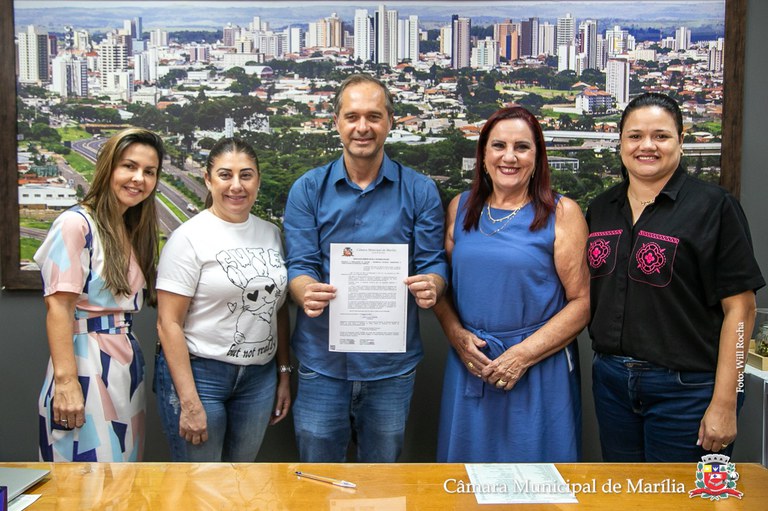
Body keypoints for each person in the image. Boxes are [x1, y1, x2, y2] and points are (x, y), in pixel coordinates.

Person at [586, 92, 765, 462]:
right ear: (620, 142)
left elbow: (741, 310)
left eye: (661, 136)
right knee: (626, 491)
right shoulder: (601, 208)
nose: (647, 146)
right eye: (635, 136)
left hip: (688, 390)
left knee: (680, 494)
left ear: (681, 141)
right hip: (612, 383)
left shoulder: (714, 206)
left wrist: (726, 401)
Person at [284, 73, 448, 463]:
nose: (363, 127)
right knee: (318, 480)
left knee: (381, 480)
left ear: (390, 121)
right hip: (321, 362)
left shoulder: (420, 190)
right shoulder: (308, 189)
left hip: (390, 367)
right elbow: (300, 265)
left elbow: (433, 263)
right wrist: (305, 291)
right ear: (336, 122)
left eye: (374, 116)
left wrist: (434, 284)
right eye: (352, 116)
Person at [433, 106, 590, 463]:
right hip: (472, 363)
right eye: (499, 145)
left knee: (538, 477)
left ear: (537, 156)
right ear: (483, 155)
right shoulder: (461, 207)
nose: (509, 157)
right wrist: (457, 337)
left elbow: (582, 302)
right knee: (466, 477)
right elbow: (442, 287)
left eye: (521, 147)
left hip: (537, 368)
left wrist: (521, 357)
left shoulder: (562, 213)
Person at [154, 138, 291, 462]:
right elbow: (168, 324)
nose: (236, 185)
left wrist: (284, 372)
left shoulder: (271, 233)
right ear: (208, 179)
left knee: (240, 479)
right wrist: (189, 402)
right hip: (201, 376)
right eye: (225, 175)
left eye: (246, 175)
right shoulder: (188, 238)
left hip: (259, 379)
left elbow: (279, 309)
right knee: (201, 483)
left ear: (257, 180)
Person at [36, 128, 164, 461]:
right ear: (108, 167)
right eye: (129, 166)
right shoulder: (75, 224)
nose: (139, 179)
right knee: (86, 474)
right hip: (86, 363)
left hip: (124, 363)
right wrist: (66, 383)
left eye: (149, 171)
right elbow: (59, 308)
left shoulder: (128, 229)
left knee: (122, 473)